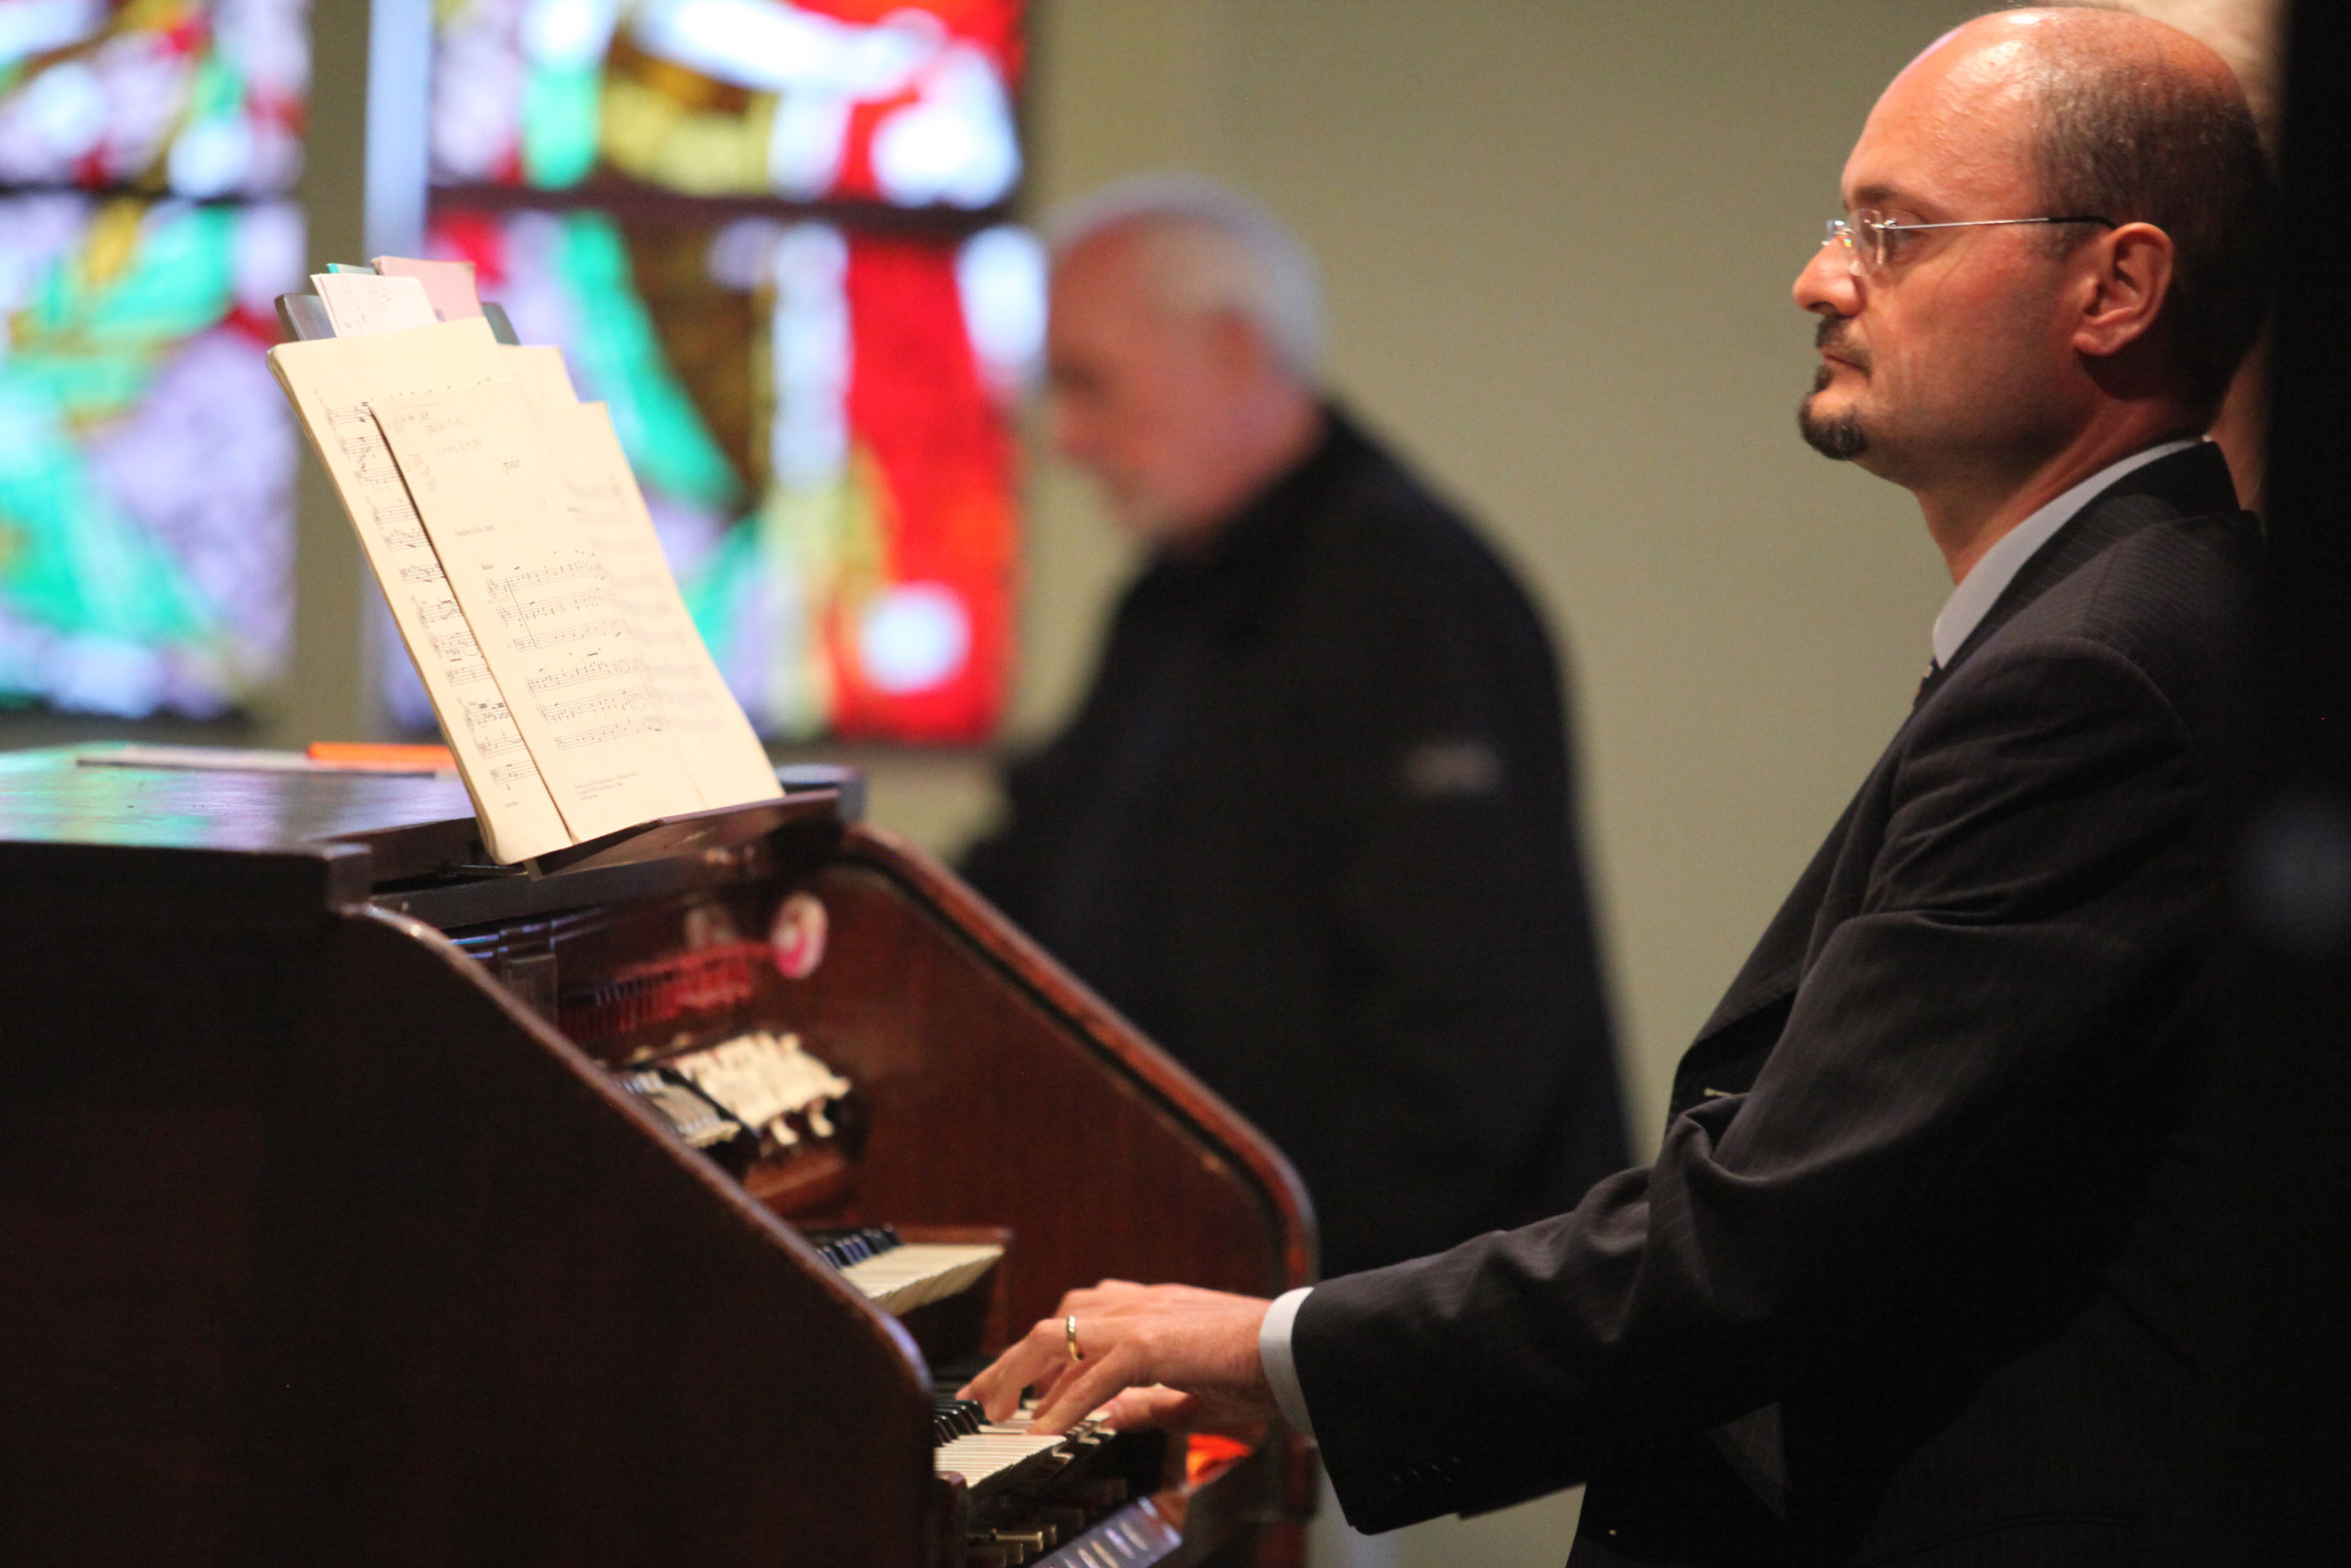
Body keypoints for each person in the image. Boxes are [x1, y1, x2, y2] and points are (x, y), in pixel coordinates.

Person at [963, 8, 2282, 1564]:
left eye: (1894, 231)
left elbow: (1786, 1221)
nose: (1816, 276)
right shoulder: (2119, 619)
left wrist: (1274, 1340)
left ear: (2115, 287)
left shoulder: (2103, 670)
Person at [960, 177, 1627, 1279]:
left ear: (1228, 346)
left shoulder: (1407, 593)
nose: (1065, 439)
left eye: (1087, 385)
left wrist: (1265, 1294)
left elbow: (1473, 1035)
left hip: (1408, 1321)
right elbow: (1032, 884)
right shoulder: (1171, 599)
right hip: (1225, 1273)